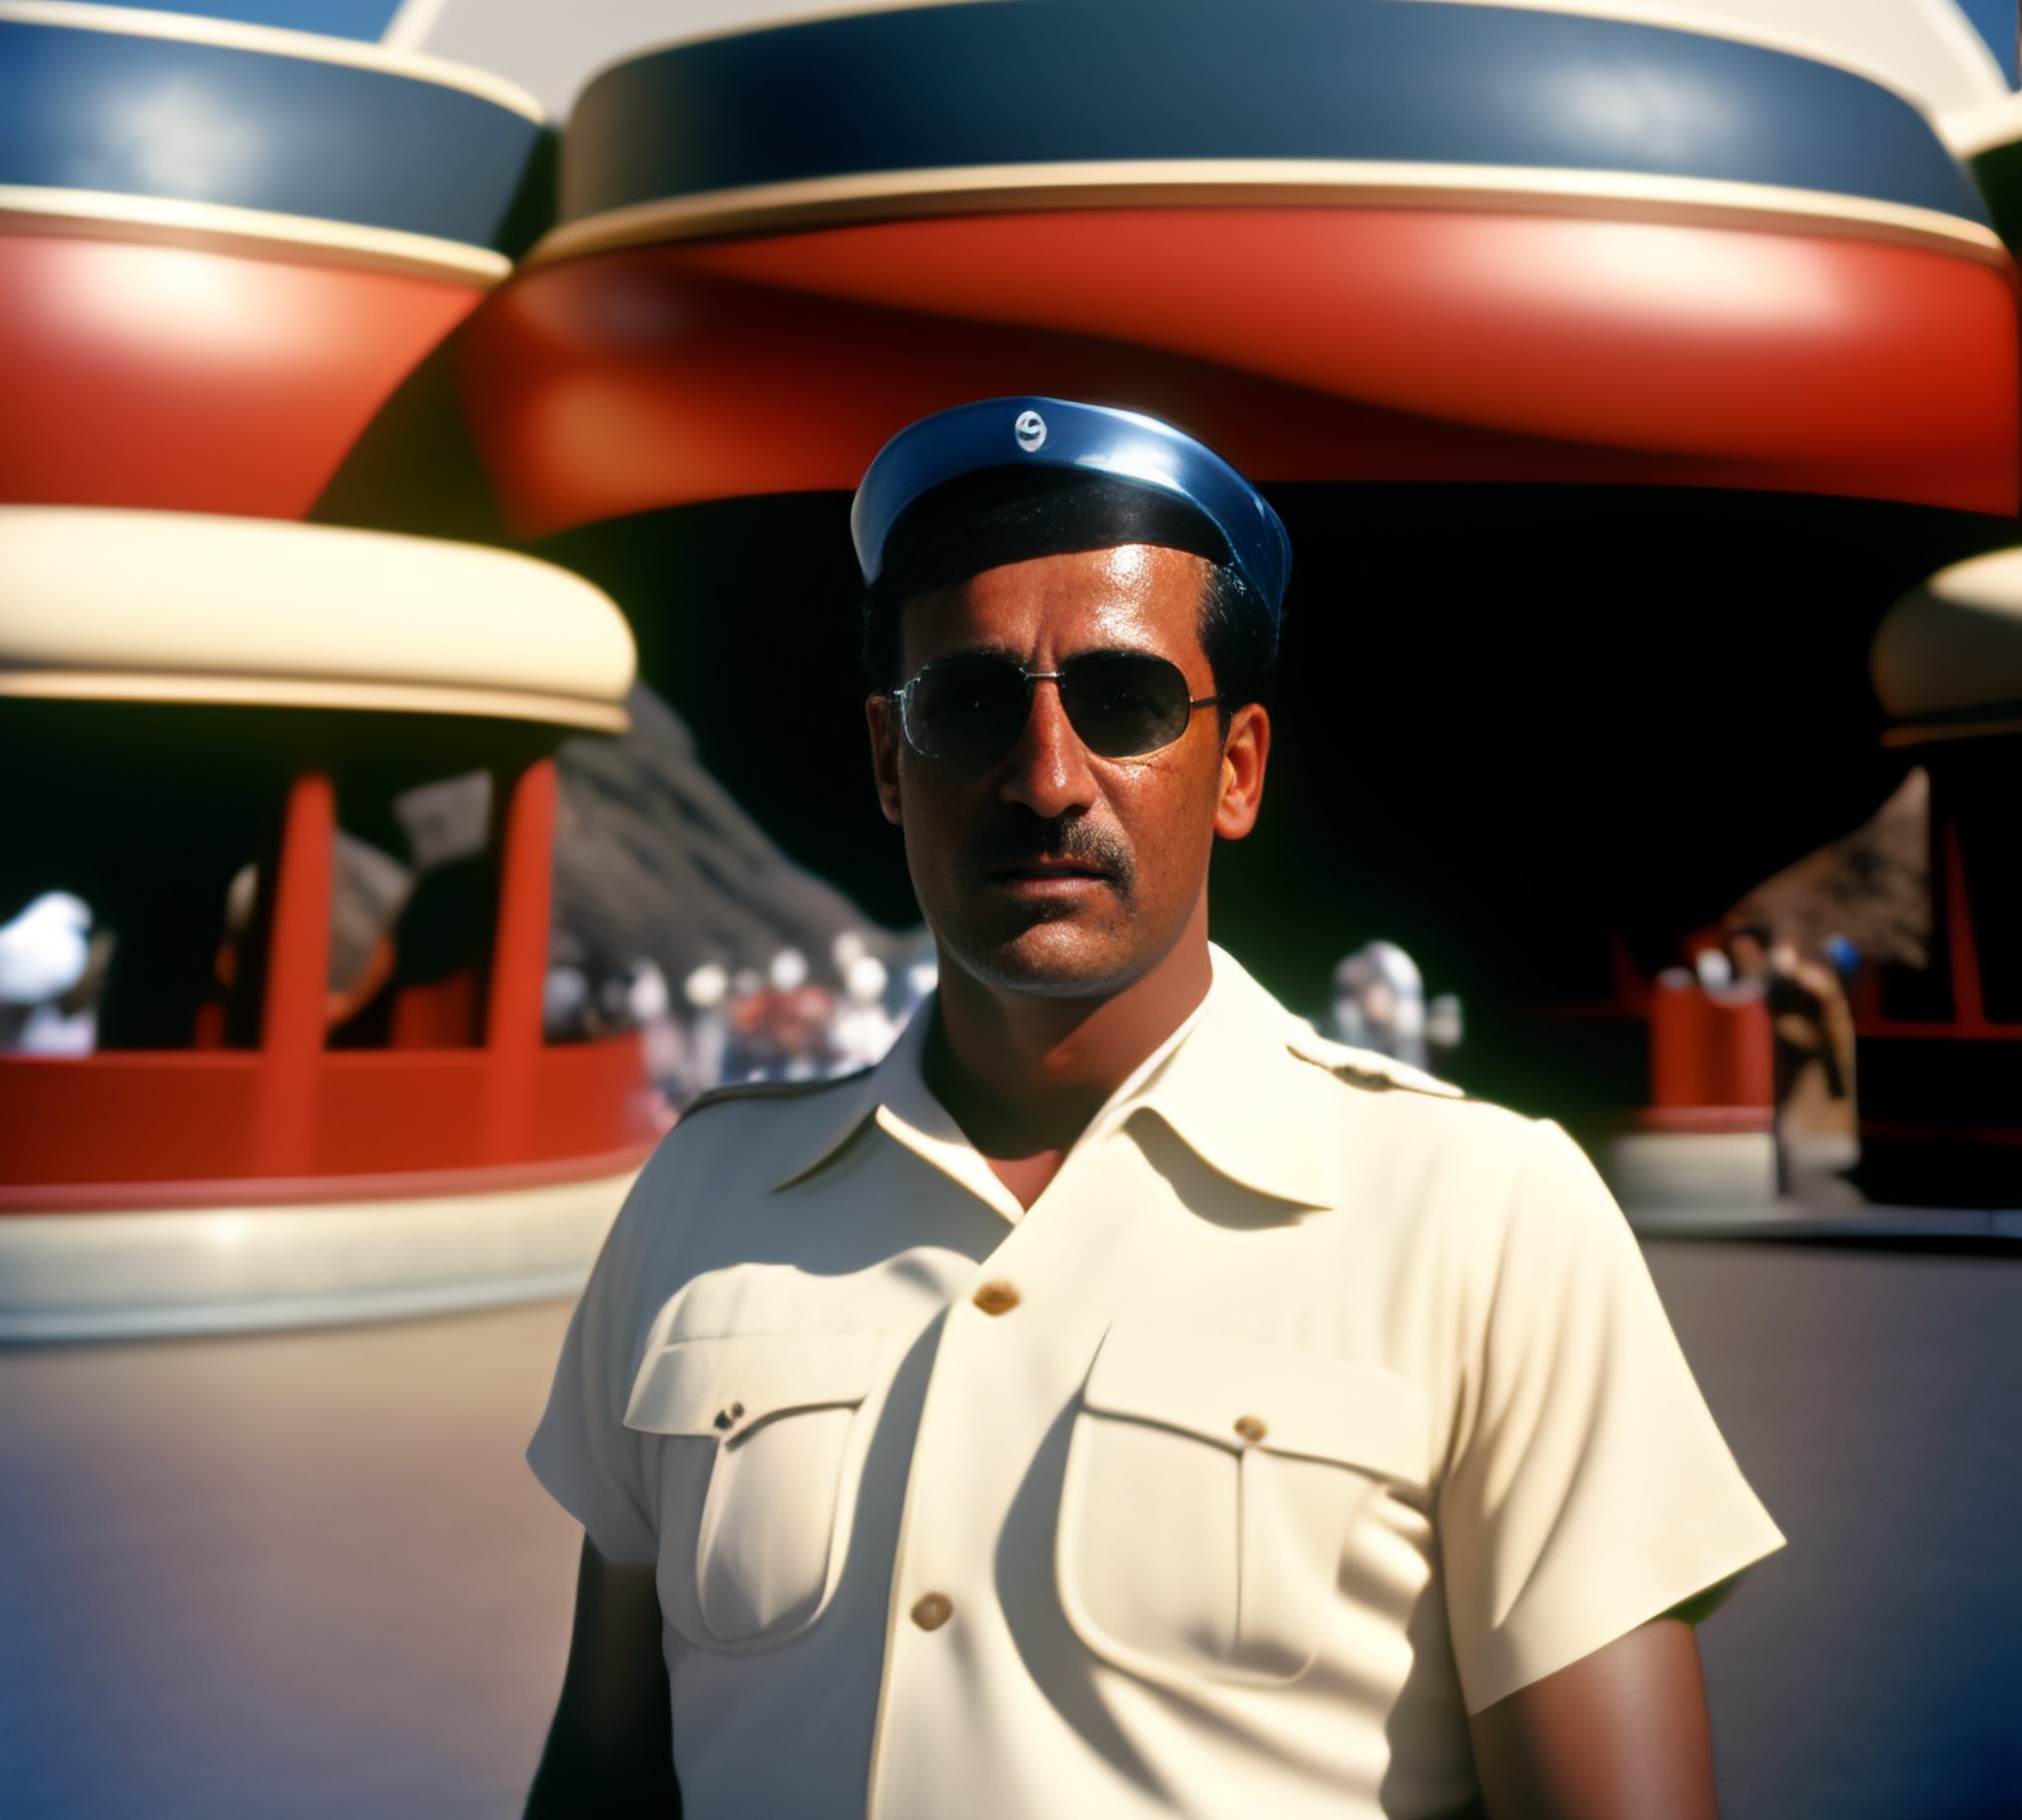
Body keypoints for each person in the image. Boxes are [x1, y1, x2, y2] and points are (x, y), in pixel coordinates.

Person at [524, 395, 1781, 1820]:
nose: (1044, 777)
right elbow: (604, 1779)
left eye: (1123, 702)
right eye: (968, 704)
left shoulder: (1487, 1221)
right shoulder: (701, 1205)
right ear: (887, 762)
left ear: (1236, 769)